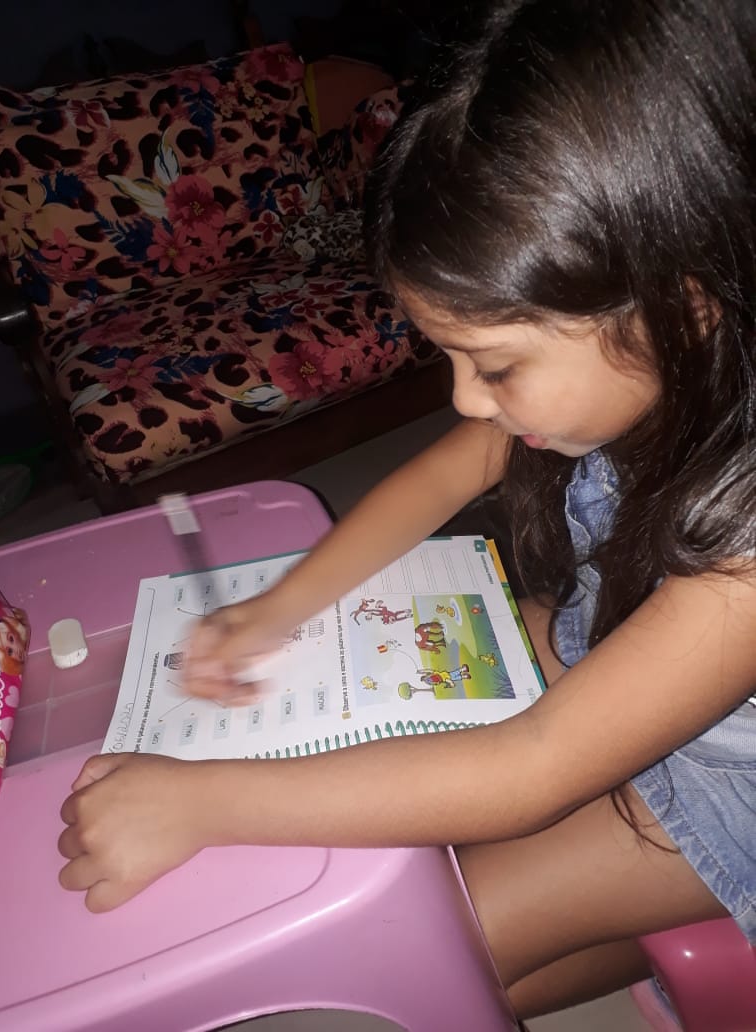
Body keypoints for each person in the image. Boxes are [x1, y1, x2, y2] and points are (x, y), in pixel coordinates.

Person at [57, 0, 756, 1020]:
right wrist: (280, 608)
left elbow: (533, 768)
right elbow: (440, 476)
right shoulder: (642, 363)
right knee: (427, 839)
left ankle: (663, 936)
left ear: (683, 309)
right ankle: (614, 941)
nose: (468, 400)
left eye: (496, 365)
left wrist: (201, 801)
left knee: (427, 925)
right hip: (611, 659)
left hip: (726, 796)